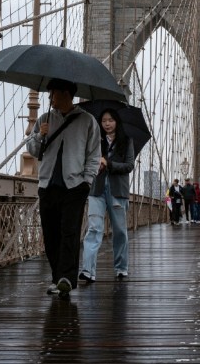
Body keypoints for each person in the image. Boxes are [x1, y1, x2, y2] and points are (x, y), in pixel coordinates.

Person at [27, 78, 101, 299]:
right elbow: (32, 149)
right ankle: (56, 277)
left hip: (74, 187)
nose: (49, 98)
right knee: (50, 235)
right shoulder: (44, 119)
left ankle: (66, 279)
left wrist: (87, 181)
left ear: (66, 93)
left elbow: (94, 155)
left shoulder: (87, 121)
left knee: (70, 232)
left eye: (52, 94)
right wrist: (41, 134)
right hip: (47, 185)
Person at [80, 108, 136, 283]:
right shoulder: (95, 141)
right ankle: (88, 270)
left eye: (111, 120)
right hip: (96, 190)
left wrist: (109, 163)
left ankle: (121, 267)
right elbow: (86, 161)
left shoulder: (126, 141)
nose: (107, 123)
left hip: (117, 191)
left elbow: (129, 166)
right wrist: (96, 164)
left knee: (119, 231)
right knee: (94, 228)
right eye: (104, 120)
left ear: (116, 122)